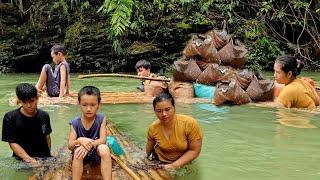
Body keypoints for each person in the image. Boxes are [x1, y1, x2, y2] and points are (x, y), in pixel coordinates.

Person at [146, 92, 203, 169]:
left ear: (174, 108)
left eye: (167, 109)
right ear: (155, 112)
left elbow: (194, 150)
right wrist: (143, 159)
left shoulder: (190, 124)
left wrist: (173, 166)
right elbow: (148, 151)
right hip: (159, 161)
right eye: (159, 111)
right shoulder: (153, 128)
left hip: (182, 162)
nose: (164, 114)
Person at [1, 83, 52, 167]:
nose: (29, 105)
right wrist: (29, 160)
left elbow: (47, 137)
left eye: (32, 101)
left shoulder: (44, 116)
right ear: (19, 100)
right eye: (24, 102)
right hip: (21, 161)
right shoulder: (10, 117)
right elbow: (12, 143)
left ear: (37, 98)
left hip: (43, 158)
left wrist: (49, 155)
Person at [68, 86, 112, 180]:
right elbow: (70, 145)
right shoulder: (75, 123)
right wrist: (79, 140)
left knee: (104, 148)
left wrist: (88, 145)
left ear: (98, 104)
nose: (88, 109)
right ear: (79, 104)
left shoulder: (101, 119)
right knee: (77, 151)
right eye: (84, 105)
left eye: (92, 105)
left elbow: (103, 140)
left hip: (96, 153)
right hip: (81, 156)